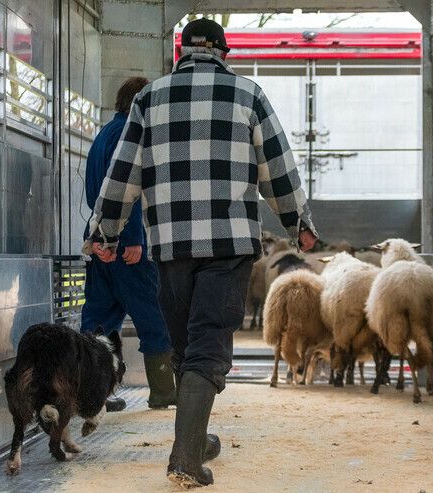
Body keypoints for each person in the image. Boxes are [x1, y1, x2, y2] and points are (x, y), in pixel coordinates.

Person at [84, 18, 318, 487]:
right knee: (209, 343)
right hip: (230, 245)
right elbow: (278, 169)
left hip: (171, 247)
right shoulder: (248, 95)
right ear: (223, 53)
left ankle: (195, 439)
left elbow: (123, 174)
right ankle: (185, 458)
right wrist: (299, 225)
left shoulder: (149, 99)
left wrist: (103, 232)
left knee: (187, 345)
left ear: (181, 52)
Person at [80, 77, 177, 412]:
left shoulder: (103, 134)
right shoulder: (130, 134)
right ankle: (164, 391)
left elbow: (97, 193)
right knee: (154, 317)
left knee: (98, 321)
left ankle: (93, 393)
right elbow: (127, 191)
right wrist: (133, 237)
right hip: (126, 246)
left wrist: (94, 238)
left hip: (100, 244)